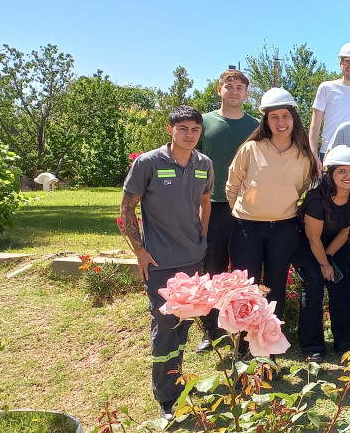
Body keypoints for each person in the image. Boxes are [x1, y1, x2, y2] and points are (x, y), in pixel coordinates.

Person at [120, 105, 213, 421]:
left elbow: (205, 201)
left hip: (192, 259)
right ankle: (165, 396)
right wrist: (139, 252)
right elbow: (127, 208)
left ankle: (178, 382)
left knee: (184, 325)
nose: (189, 134)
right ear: (170, 130)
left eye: (195, 129)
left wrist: (202, 238)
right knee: (164, 327)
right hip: (160, 263)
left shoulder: (204, 164)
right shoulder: (148, 163)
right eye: (183, 128)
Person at [226, 88, 318, 323]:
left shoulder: (303, 156)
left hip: (283, 229)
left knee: (276, 285)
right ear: (266, 121)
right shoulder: (251, 148)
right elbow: (232, 184)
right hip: (247, 229)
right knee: (246, 286)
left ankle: (271, 337)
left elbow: (302, 188)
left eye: (285, 116)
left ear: (294, 118)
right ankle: (245, 341)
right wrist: (244, 211)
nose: (280, 122)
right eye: (273, 117)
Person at [195, 69, 258, 353]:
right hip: (213, 205)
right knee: (213, 268)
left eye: (240, 87)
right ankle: (213, 331)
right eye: (229, 86)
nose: (234, 91)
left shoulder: (256, 126)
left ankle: (245, 325)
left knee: (245, 270)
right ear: (219, 89)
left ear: (246, 94)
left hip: (248, 208)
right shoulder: (203, 123)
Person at [295, 145, 350, 363]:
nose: (348, 176)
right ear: (330, 173)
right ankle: (312, 345)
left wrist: (329, 261)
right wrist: (323, 265)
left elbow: (347, 229)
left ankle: (345, 342)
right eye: (341, 171)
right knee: (313, 290)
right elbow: (313, 238)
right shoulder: (317, 200)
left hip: (338, 245)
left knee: (341, 290)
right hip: (309, 246)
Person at [310, 42, 350, 159]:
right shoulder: (326, 88)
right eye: (347, 62)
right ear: (341, 64)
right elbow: (315, 124)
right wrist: (313, 154)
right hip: (328, 154)